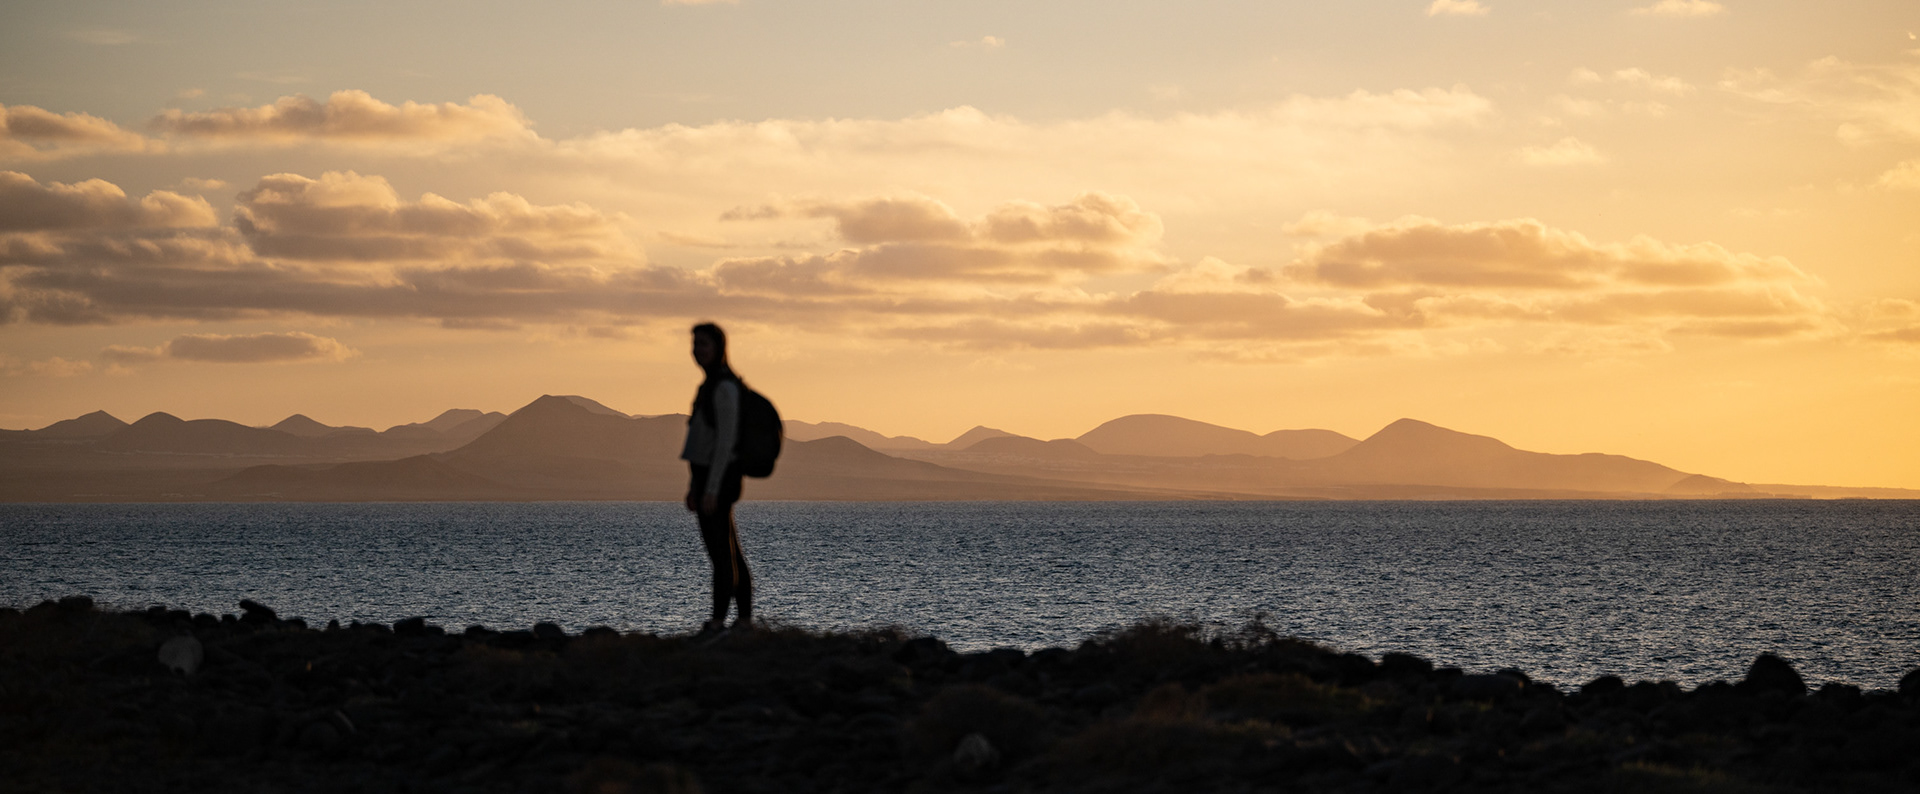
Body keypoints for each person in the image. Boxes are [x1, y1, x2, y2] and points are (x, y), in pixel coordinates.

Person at [681, 322, 752, 639]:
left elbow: (724, 443)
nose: (697, 351)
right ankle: (742, 620)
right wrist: (694, 487)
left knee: (722, 554)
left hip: (718, 481)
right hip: (706, 480)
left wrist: (710, 488)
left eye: (704, 345)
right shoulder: (709, 386)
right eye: (695, 344)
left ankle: (719, 621)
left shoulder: (724, 388)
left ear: (719, 348)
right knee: (730, 551)